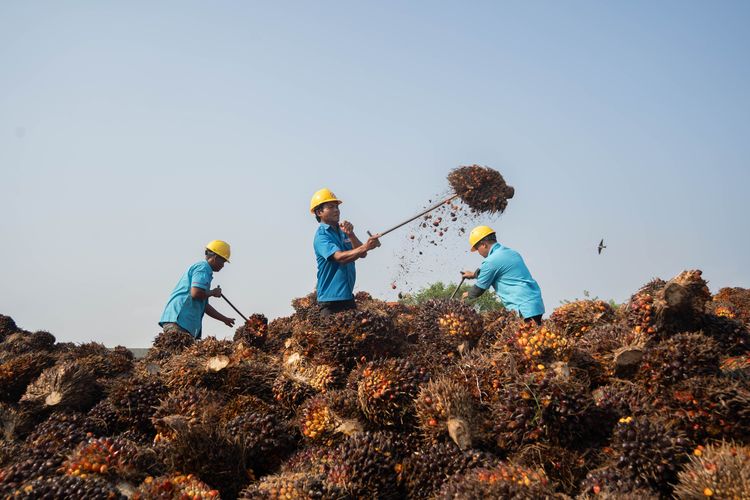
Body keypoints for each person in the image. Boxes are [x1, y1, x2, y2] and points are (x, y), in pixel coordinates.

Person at [310, 188, 381, 317]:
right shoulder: (321, 236)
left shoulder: (342, 232)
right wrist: (366, 246)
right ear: (319, 212)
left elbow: (362, 254)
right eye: (331, 207)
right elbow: (340, 258)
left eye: (337, 207)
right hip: (330, 302)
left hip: (347, 298)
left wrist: (351, 235)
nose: (336, 210)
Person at [461, 225, 545, 325]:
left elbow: (478, 290)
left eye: (477, 248)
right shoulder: (511, 252)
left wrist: (465, 295)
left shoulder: (490, 262)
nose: (478, 252)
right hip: (534, 303)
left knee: (525, 337)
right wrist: (473, 275)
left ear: (483, 244)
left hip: (522, 307)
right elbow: (495, 270)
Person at [159, 240, 236, 339]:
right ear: (215, 258)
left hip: (184, 323)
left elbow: (204, 305)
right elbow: (195, 293)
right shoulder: (202, 268)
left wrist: (224, 319)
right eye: (223, 262)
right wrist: (213, 292)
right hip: (179, 321)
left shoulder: (206, 272)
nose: (223, 266)